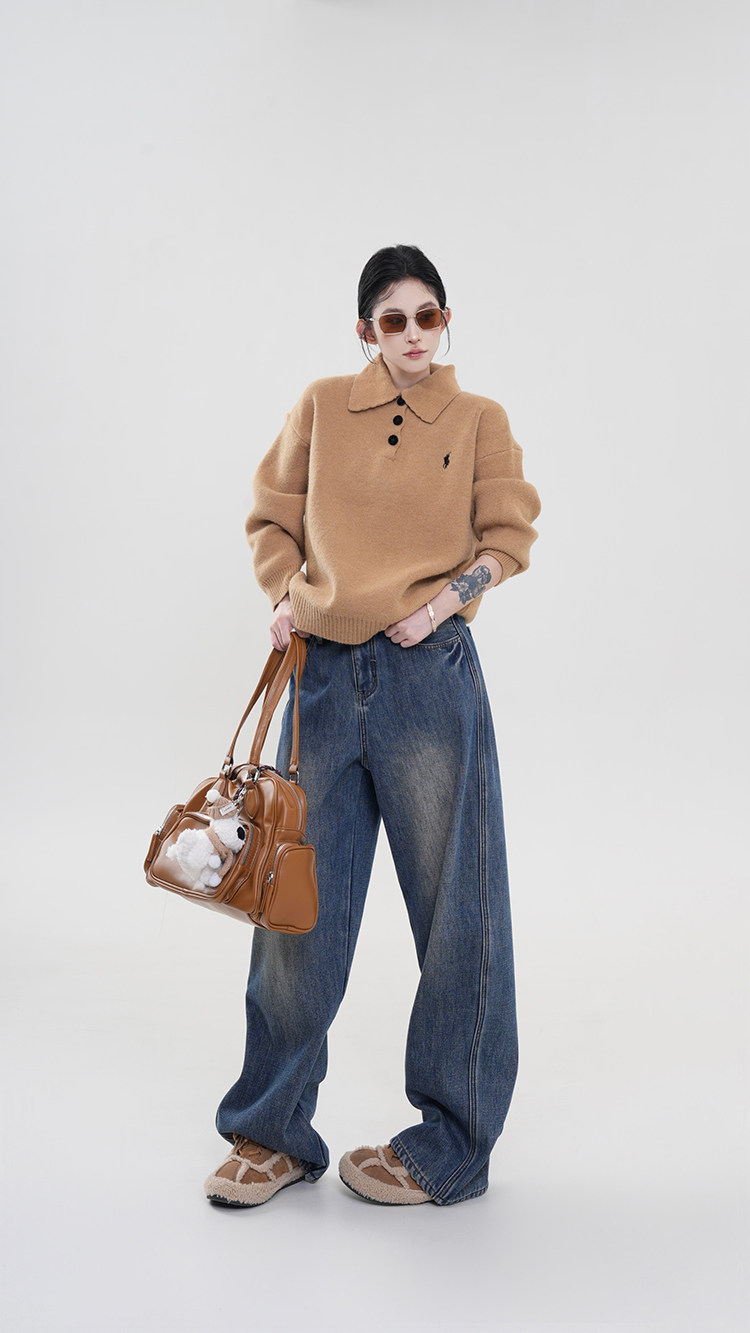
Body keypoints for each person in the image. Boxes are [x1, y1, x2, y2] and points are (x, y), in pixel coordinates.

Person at [204, 244, 541, 1209]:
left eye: (429, 315)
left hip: (427, 677)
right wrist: (285, 593)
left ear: (446, 321)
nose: (414, 334)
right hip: (319, 674)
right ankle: (271, 1131)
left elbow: (508, 538)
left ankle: (452, 1144)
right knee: (293, 904)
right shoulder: (321, 407)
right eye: (394, 319)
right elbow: (271, 520)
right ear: (366, 330)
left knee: (459, 909)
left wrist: (438, 607)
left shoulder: (479, 420)